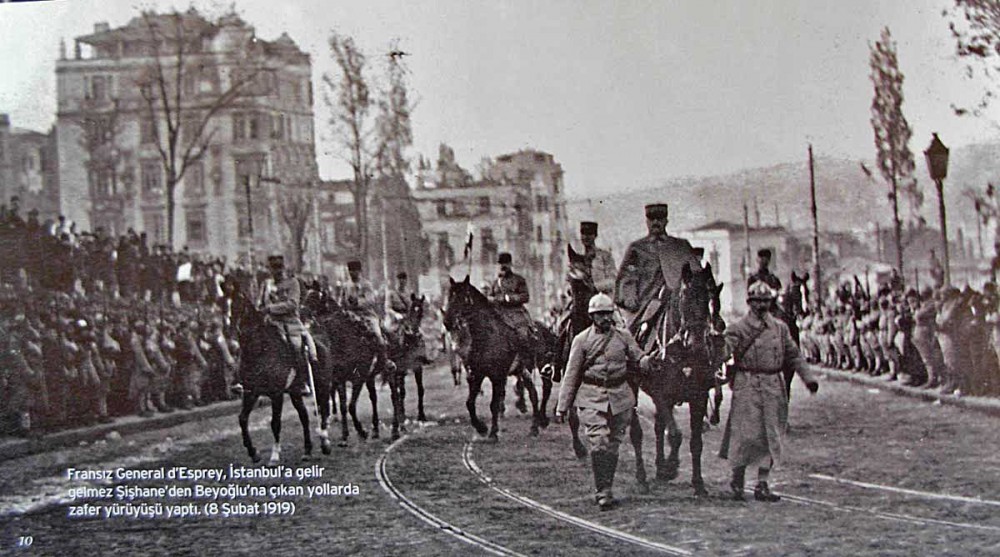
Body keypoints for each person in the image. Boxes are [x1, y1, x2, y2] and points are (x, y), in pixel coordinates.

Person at [719, 281, 819, 502]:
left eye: (766, 301)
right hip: (748, 384)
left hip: (773, 385)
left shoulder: (780, 328)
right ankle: (738, 478)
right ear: (749, 303)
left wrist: (808, 378)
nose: (762, 306)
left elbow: (794, 355)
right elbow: (724, 352)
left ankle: (762, 484)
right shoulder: (738, 328)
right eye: (757, 302)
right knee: (745, 435)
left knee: (770, 435)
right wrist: (718, 343)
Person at [555, 293, 647, 510]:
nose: (605, 319)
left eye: (608, 314)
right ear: (592, 317)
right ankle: (602, 491)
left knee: (613, 445)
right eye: (600, 315)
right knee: (599, 441)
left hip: (620, 397)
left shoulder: (624, 336)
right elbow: (571, 374)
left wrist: (646, 361)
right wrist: (562, 406)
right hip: (591, 396)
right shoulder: (582, 340)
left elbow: (638, 356)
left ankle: (608, 486)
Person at [614, 203, 700, 349]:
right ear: (647, 222)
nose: (656, 223)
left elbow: (697, 274)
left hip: (679, 301)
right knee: (631, 340)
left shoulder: (680, 246)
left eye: (660, 219)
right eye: (652, 219)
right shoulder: (637, 248)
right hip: (647, 302)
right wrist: (630, 297)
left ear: (666, 221)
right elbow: (626, 277)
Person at [257, 254, 313, 394]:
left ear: (283, 268)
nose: (277, 271)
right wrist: (260, 309)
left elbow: (292, 304)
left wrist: (270, 308)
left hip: (289, 323)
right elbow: (260, 302)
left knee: (295, 346)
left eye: (279, 267)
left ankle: (301, 381)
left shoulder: (293, 283)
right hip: (270, 322)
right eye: (273, 268)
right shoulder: (266, 284)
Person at [487, 252, 534, 347]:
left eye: (505, 263)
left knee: (523, 334)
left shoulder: (519, 280)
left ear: (510, 264)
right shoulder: (495, 282)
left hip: (515, 312)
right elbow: (490, 297)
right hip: (498, 313)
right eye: (500, 263)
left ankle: (524, 358)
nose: (502, 266)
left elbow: (525, 296)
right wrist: (492, 299)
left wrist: (510, 298)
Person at [580, 221, 617, 294]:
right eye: (583, 233)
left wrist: (595, 286)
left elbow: (613, 280)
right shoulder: (577, 256)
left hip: (600, 298)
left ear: (595, 235)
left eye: (589, 233)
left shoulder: (605, 256)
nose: (586, 237)